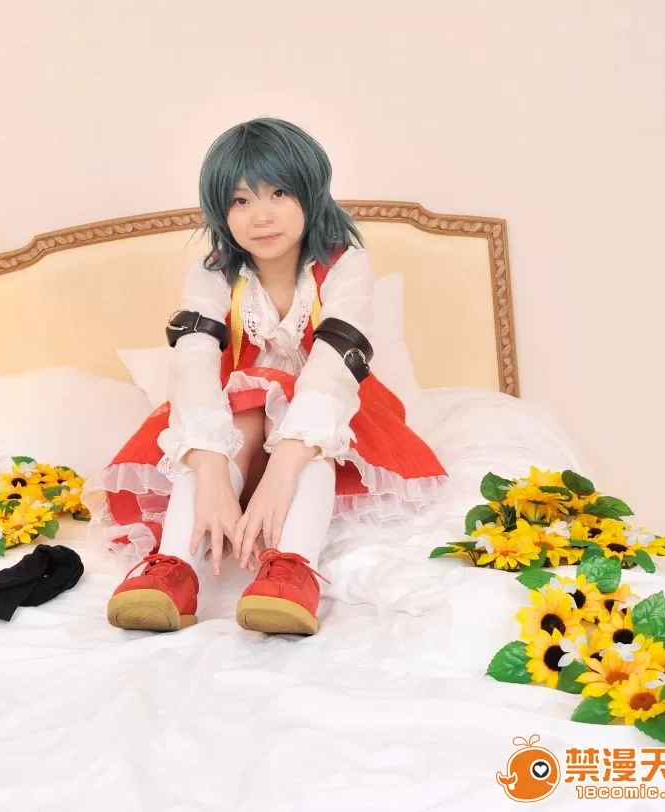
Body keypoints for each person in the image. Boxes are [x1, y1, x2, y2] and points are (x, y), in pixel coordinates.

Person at [87, 117, 447, 636]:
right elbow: (193, 364)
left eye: (279, 192)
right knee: (247, 399)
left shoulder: (344, 265)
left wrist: (281, 473)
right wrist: (212, 472)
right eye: (240, 200)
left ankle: (292, 566)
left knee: (290, 411)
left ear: (310, 191)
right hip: (232, 439)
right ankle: (174, 568)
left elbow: (333, 370)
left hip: (320, 429)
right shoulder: (214, 272)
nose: (261, 216)